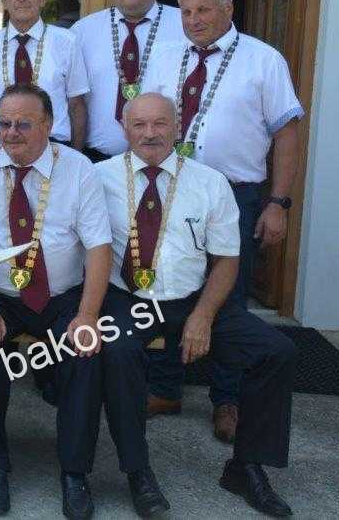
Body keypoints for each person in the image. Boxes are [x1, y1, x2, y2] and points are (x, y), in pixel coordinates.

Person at [96, 92, 297, 517]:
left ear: (178, 126)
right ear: (125, 129)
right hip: (128, 298)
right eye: (139, 124)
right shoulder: (97, 178)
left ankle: (246, 467)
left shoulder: (210, 182)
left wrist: (203, 315)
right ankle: (137, 471)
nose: (150, 133)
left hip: (193, 298)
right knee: (118, 351)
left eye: (160, 123)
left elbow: (227, 260)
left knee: (275, 351)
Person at [141, 0, 304, 442]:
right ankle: (164, 387)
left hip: (234, 195)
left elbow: (287, 134)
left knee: (227, 297)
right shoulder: (165, 55)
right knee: (165, 287)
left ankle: (227, 399)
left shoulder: (263, 59)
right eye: (186, 11)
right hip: (170, 189)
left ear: (228, 9)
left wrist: (278, 203)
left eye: (203, 10)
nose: (193, 20)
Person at [0, 83, 112, 518]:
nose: (10, 133)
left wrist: (87, 315)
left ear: (49, 124)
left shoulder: (78, 169)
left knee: (84, 353)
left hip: (62, 297)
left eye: (23, 124)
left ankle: (75, 473)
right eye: (3, 123)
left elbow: (99, 248)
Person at [70, 0, 184, 162]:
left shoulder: (184, 26)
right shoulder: (83, 31)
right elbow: (72, 98)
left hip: (164, 160)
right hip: (97, 160)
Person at [0, 0, 89, 149]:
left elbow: (77, 105)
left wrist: (76, 156)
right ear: (4, 1)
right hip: (2, 144)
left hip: (53, 146)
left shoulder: (67, 43)